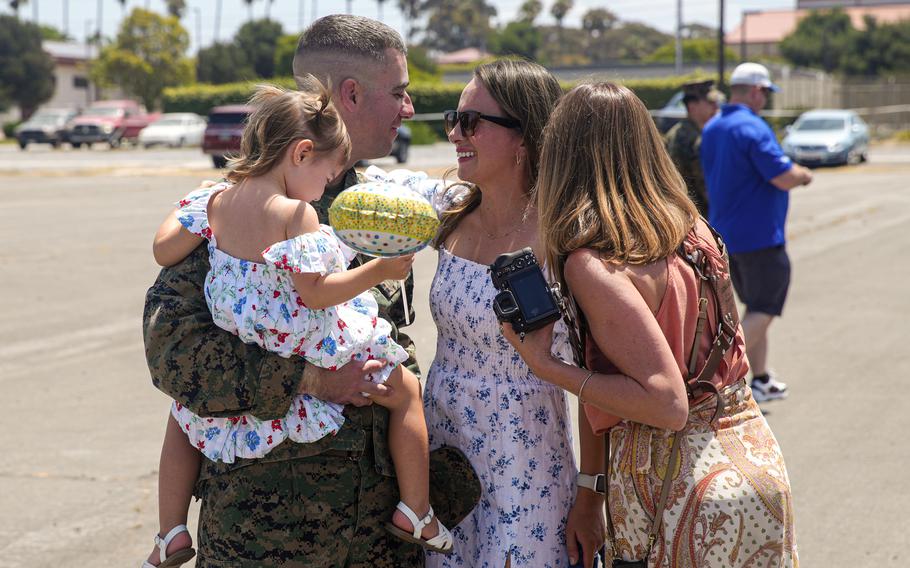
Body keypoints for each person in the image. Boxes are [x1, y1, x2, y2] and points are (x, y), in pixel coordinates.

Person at [143, 15, 476, 567]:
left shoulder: (385, 210)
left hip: (375, 538)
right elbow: (174, 356)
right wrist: (312, 380)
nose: (410, 108)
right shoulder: (229, 212)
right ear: (350, 94)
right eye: (398, 92)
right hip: (263, 535)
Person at [503, 82, 798, 567]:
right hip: (755, 465)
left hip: (679, 490)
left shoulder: (593, 263)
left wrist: (547, 366)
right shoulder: (691, 226)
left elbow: (666, 404)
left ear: (563, 156)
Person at [421, 59, 599, 568]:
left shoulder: (566, 237)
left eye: (472, 121)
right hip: (443, 458)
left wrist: (592, 493)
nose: (456, 133)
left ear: (525, 135)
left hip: (526, 468)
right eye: (453, 119)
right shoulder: (449, 209)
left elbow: (592, 377)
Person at [700, 62, 813, 403]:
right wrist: (803, 174)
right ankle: (714, 376)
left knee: (752, 307)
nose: (765, 99)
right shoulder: (753, 127)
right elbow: (782, 175)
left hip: (726, 235)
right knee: (764, 308)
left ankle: (760, 379)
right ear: (755, 91)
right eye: (764, 92)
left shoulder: (713, 126)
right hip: (760, 236)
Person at [665, 79, 723, 217]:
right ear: (692, 106)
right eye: (710, 103)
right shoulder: (695, 139)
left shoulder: (677, 132)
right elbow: (708, 190)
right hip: (698, 216)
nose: (716, 108)